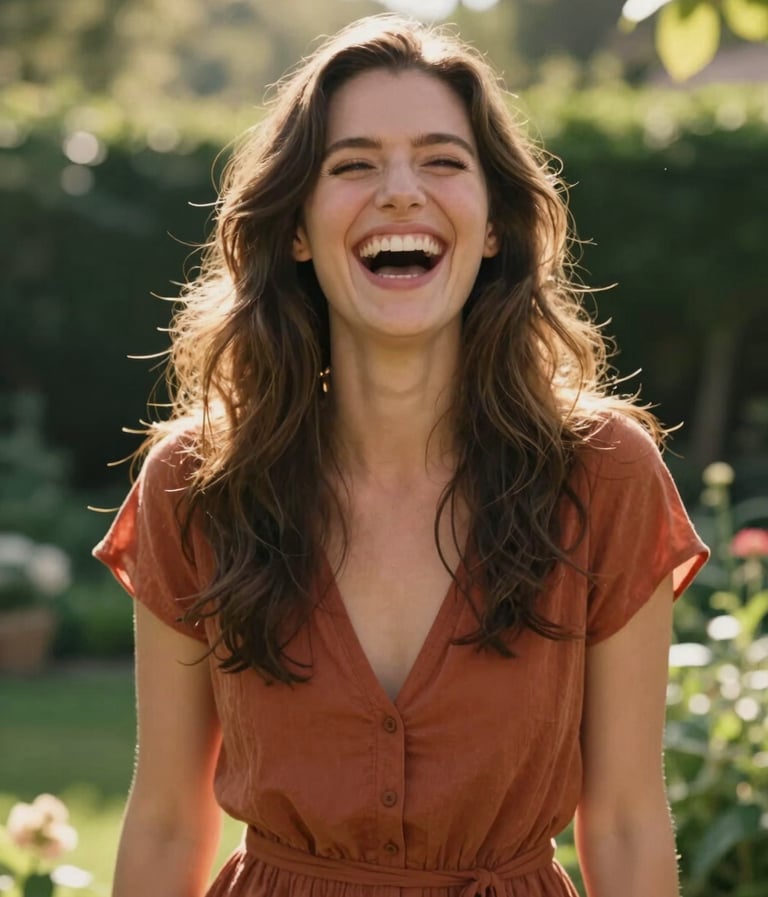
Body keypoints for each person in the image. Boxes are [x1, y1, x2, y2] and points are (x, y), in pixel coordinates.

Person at [94, 13, 709, 897]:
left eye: (442, 161)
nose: (399, 193)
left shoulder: (604, 472)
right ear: (297, 229)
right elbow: (164, 817)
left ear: (494, 226)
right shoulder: (198, 483)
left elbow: (624, 817)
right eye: (352, 165)